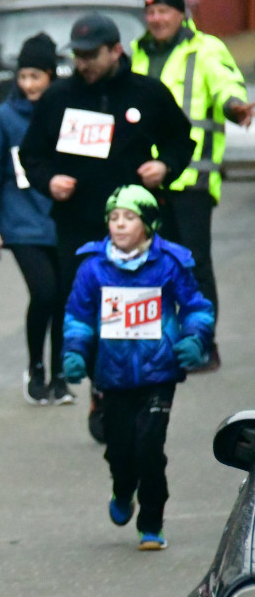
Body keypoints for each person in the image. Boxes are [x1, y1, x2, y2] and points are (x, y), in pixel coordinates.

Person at [19, 14, 194, 442]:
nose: (84, 64)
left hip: (137, 228)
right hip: (79, 227)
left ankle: (140, 392)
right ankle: (103, 389)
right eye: (77, 56)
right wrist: (49, 181)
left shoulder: (146, 93)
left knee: (136, 310)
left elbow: (182, 138)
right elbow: (32, 154)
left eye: (91, 55)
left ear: (115, 50)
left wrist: (165, 166)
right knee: (84, 307)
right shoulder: (59, 97)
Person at [61, 185, 214, 550]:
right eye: (114, 218)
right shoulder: (93, 268)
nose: (119, 225)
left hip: (158, 372)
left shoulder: (169, 264)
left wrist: (195, 340)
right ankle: (122, 487)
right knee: (119, 449)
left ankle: (151, 522)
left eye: (129, 218)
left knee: (149, 446)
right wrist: (75, 352)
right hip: (112, 375)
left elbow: (196, 307)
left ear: (147, 224)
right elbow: (78, 315)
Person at [131, 0, 253, 373]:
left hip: (193, 178)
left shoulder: (205, 48)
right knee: (151, 264)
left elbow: (225, 83)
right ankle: (163, 341)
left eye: (163, 11)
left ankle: (204, 344)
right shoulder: (135, 53)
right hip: (146, 178)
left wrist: (235, 105)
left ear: (181, 13)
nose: (156, 19)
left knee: (194, 262)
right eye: (150, 12)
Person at [0, 33, 69, 406]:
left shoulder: (66, 112)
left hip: (61, 219)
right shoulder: (3, 118)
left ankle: (60, 371)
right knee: (44, 292)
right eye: (23, 76)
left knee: (63, 297)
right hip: (21, 222)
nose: (28, 84)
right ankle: (35, 367)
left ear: (51, 75)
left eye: (36, 76)